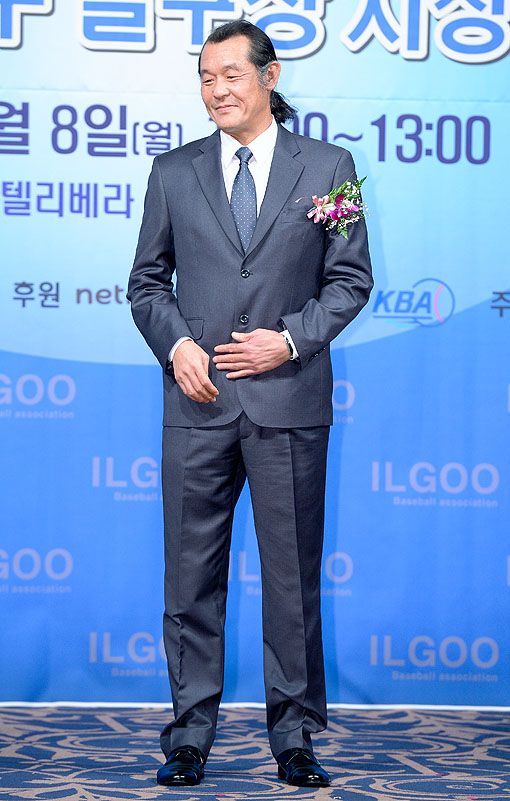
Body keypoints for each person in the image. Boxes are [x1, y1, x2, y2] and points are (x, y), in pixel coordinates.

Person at [127, 19, 373, 788]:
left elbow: (351, 280)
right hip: (197, 402)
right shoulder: (173, 170)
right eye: (205, 78)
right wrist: (176, 344)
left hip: (287, 401)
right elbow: (146, 283)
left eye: (230, 74)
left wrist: (290, 340)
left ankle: (294, 735)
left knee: (292, 579)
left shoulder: (330, 168)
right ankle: (188, 735)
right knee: (189, 579)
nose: (216, 90)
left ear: (270, 76)